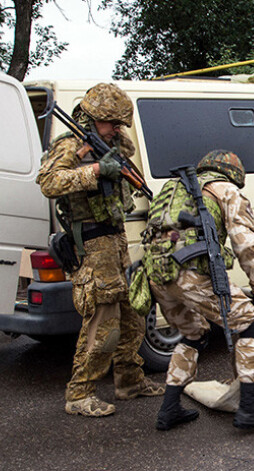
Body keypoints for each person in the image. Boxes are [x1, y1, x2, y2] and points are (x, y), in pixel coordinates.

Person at [37, 83, 164, 417]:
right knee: (103, 322)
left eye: (121, 124)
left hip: (116, 240)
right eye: (112, 123)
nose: (118, 129)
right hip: (92, 243)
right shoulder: (69, 145)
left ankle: (129, 380)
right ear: (92, 118)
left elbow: (126, 151)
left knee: (133, 313)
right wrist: (93, 168)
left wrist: (109, 147)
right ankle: (80, 394)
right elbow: (49, 183)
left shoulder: (110, 141)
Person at [142, 149, 254, 432]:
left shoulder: (174, 187)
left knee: (195, 333)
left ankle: (169, 408)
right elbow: (246, 245)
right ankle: (249, 409)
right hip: (189, 273)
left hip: (157, 275)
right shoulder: (226, 190)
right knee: (250, 324)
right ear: (233, 173)